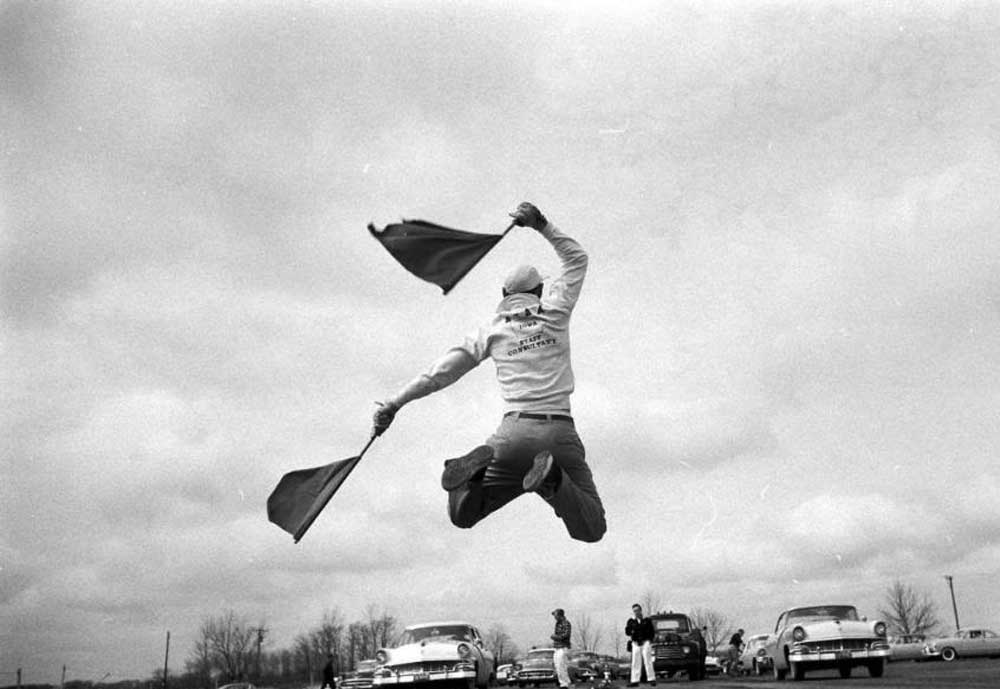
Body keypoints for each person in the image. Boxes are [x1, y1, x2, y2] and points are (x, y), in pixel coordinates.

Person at [372, 202, 606, 543]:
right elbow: (577, 259)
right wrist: (541, 225)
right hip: (559, 433)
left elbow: (439, 373)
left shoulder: (492, 331)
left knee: (464, 516)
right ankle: (553, 480)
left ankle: (471, 477)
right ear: (540, 291)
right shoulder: (555, 312)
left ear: (503, 295)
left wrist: (393, 404)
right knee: (592, 528)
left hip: (511, 438)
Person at [625, 604, 655, 687]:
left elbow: (652, 631)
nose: (636, 612)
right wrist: (631, 631)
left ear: (640, 610)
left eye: (637, 610)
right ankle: (635, 680)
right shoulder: (631, 621)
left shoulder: (647, 620)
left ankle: (651, 679)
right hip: (635, 643)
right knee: (635, 662)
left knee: (647, 660)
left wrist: (649, 640)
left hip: (645, 642)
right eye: (634, 611)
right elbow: (627, 631)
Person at [551, 608, 573, 689]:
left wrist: (555, 637)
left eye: (555, 615)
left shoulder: (566, 623)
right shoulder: (558, 624)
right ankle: (562, 683)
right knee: (557, 666)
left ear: (560, 615)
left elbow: (566, 635)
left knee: (561, 666)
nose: (554, 617)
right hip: (557, 647)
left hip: (563, 647)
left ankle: (566, 684)